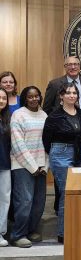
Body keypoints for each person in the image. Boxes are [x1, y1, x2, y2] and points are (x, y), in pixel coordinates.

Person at [43, 83, 81, 243]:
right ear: (61, 96)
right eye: (68, 93)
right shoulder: (54, 116)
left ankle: (78, 229)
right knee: (67, 193)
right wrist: (57, 154)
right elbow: (46, 140)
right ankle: (64, 233)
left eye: (74, 93)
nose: (72, 95)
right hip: (60, 154)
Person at [10, 86, 48, 248]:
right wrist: (33, 167)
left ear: (40, 97)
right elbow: (17, 144)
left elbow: (48, 143)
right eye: (30, 97)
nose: (34, 99)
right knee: (24, 201)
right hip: (22, 165)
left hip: (41, 165)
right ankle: (18, 234)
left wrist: (45, 166)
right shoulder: (18, 115)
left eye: (36, 96)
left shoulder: (45, 115)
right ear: (25, 98)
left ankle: (31, 230)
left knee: (39, 202)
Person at [0, 88, 11, 247]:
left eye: (4, 98)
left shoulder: (7, 119)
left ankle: (1, 232)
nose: (1, 100)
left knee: (4, 200)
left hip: (5, 164)